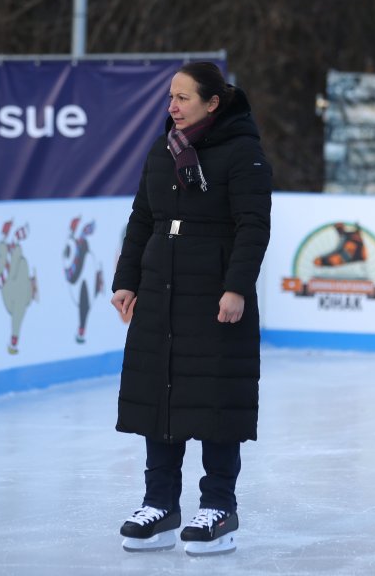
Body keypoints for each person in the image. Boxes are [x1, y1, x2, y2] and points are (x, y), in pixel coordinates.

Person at [111, 61, 272, 556]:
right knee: (159, 391)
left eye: (183, 98)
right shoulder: (164, 149)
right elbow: (142, 216)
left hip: (214, 290)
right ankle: (160, 502)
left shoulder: (242, 152)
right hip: (160, 289)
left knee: (215, 395)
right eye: (170, 98)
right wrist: (126, 281)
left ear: (212, 102)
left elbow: (253, 225)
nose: (172, 107)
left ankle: (219, 503)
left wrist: (236, 287)